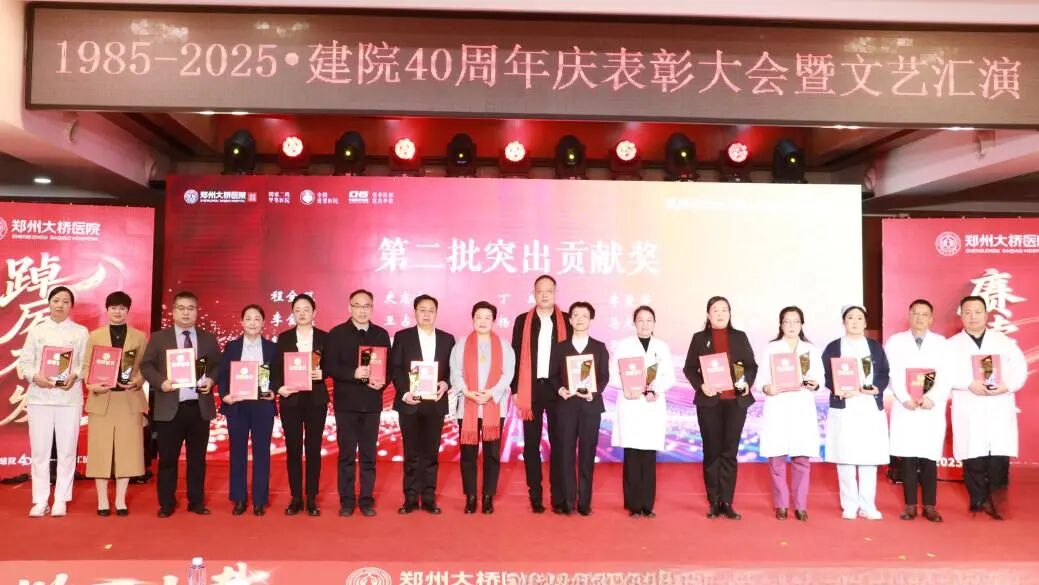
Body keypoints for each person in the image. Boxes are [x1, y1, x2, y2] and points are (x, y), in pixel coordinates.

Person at [140, 291, 221, 518]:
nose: (186, 313)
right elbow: (146, 366)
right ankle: (166, 503)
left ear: (197, 311)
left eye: (191, 308)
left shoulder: (207, 338)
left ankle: (196, 501)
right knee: (167, 459)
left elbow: (218, 365)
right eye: (181, 308)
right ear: (174, 311)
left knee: (197, 460)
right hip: (170, 408)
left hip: (198, 407)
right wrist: (161, 382)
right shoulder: (159, 338)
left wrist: (211, 380)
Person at [949, 295, 1028, 520]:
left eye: (977, 312)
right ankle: (978, 500)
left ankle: (998, 503)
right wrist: (968, 383)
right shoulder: (950, 345)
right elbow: (944, 373)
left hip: (998, 404)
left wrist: (1007, 386)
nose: (973, 317)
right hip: (969, 403)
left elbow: (1020, 369)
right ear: (961, 315)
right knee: (972, 454)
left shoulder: (1003, 342)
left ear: (986, 315)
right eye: (967, 312)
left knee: (998, 458)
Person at [682, 296, 758, 520]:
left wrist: (746, 382)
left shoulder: (739, 337)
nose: (720, 314)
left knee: (730, 452)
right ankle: (714, 501)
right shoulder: (699, 338)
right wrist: (701, 385)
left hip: (735, 402)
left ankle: (727, 501)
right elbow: (689, 368)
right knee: (712, 451)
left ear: (730, 313)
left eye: (724, 310)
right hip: (710, 403)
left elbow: (751, 366)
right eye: (715, 310)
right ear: (708, 314)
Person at [18, 286, 89, 517]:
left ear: (71, 306)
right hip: (40, 399)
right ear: (49, 303)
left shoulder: (80, 332)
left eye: (66, 301)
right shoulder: (37, 330)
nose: (60, 305)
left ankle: (61, 499)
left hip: (69, 399)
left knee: (67, 451)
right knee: (40, 451)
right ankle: (40, 500)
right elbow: (25, 362)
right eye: (56, 300)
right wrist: (34, 376)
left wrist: (74, 375)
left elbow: (84, 363)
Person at [325, 289, 391, 517]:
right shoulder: (337, 334)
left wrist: (382, 382)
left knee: (368, 455)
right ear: (349, 307)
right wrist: (353, 373)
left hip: (372, 404)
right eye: (357, 305)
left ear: (372, 308)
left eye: (366, 306)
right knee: (346, 455)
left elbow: (389, 367)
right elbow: (329, 366)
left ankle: (366, 500)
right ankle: (346, 501)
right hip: (346, 404)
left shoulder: (381, 334)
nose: (362, 310)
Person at [83, 291, 148, 517]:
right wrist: (92, 385)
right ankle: (102, 499)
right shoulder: (95, 336)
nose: (117, 312)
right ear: (107, 309)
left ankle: (120, 499)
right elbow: (86, 366)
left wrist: (138, 380)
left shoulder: (139, 337)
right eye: (113, 307)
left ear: (128, 310)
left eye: (122, 308)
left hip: (128, 399)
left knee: (127, 451)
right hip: (102, 399)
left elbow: (145, 367)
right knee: (100, 451)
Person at [388, 294, 455, 515]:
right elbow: (396, 368)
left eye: (431, 310)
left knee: (431, 453)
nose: (426, 314)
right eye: (422, 310)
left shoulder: (447, 339)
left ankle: (428, 498)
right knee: (411, 453)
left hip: (435, 403)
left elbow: (452, 370)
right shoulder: (403, 337)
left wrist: (445, 383)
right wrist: (404, 392)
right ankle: (409, 498)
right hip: (410, 402)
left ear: (436, 313)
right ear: (415, 312)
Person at [822, 305, 890, 520]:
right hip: (845, 407)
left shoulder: (875, 347)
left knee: (869, 458)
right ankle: (849, 504)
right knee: (846, 458)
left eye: (859, 318)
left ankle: (868, 505)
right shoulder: (834, 347)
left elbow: (884, 372)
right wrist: (837, 388)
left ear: (865, 322)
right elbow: (825, 374)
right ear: (844, 322)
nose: (855, 321)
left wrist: (877, 387)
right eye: (850, 318)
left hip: (868, 406)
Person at [885, 299, 951, 523]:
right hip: (906, 407)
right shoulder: (895, 342)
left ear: (931, 319)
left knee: (929, 458)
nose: (919, 318)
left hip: (931, 409)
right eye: (915, 313)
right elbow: (892, 373)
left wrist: (932, 398)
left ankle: (930, 506)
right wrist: (905, 398)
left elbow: (946, 375)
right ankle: (910, 505)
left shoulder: (941, 343)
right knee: (909, 458)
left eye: (924, 314)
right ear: (909, 315)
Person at [511, 274, 572, 514]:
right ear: (534, 293)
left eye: (549, 291)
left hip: (559, 390)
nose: (544, 295)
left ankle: (559, 497)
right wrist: (516, 389)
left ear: (555, 293)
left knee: (560, 444)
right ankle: (535, 495)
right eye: (540, 291)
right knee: (531, 445)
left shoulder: (566, 320)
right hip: (531, 389)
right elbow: (516, 355)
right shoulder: (522, 321)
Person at [755, 306, 823, 522]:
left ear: (802, 324)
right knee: (776, 459)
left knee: (801, 458)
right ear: (781, 325)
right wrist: (767, 388)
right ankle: (781, 504)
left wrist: (815, 384)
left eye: (796, 322)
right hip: (778, 406)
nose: (792, 326)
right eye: (787, 321)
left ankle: (800, 505)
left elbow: (820, 378)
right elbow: (759, 381)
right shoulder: (771, 349)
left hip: (802, 408)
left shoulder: (810, 350)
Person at [609, 305, 676, 518]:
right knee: (632, 455)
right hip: (630, 403)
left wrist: (656, 389)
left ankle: (647, 505)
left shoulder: (662, 347)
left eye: (649, 320)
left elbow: (669, 376)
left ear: (654, 323)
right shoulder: (624, 346)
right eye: (640, 320)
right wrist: (627, 387)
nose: (645, 324)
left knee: (648, 456)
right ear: (634, 323)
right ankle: (633, 505)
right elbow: (613, 374)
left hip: (652, 404)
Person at [449, 301, 516, 514]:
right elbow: (455, 372)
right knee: (468, 455)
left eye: (487, 317)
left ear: (494, 321)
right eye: (479, 317)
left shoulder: (504, 345)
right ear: (472, 319)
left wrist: (491, 393)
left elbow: (508, 374)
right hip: (467, 405)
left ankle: (488, 496)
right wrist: (466, 391)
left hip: (494, 406)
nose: (483, 321)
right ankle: (470, 496)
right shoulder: (461, 344)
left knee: (492, 454)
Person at [548, 301, 609, 516]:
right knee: (565, 453)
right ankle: (567, 500)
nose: (580, 319)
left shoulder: (599, 347)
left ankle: (584, 502)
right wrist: (560, 389)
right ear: (570, 320)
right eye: (576, 315)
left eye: (585, 315)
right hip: (566, 407)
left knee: (587, 454)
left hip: (590, 407)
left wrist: (594, 392)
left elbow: (604, 377)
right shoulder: (560, 347)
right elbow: (553, 376)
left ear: (590, 320)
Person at [271, 293, 329, 516]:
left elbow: (333, 365)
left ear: (314, 312)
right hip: (291, 400)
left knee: (313, 449)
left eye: (306, 309)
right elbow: (276, 369)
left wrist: (323, 373)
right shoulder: (284, 338)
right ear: (292, 314)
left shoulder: (324, 338)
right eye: (297, 310)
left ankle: (311, 497)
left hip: (316, 400)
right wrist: (279, 388)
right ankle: (296, 497)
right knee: (293, 448)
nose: (302, 313)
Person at [217, 305, 277, 516]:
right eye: (248, 318)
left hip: (262, 405)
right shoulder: (232, 347)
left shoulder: (272, 348)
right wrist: (224, 395)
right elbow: (223, 374)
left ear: (263, 323)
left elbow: (277, 375)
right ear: (241, 322)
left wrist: (273, 390)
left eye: (257, 318)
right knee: (238, 453)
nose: (252, 322)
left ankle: (260, 500)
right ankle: (239, 498)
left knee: (262, 453)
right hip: (237, 405)